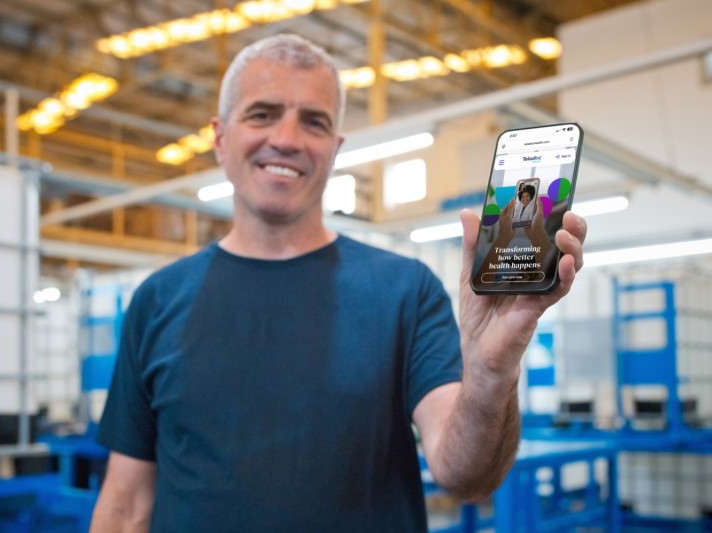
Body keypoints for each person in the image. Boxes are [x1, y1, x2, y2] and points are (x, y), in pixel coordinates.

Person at [89, 34, 586, 532]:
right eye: (261, 114)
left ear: (334, 148)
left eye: (314, 121)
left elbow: (467, 478)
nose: (286, 138)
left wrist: (491, 372)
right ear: (220, 138)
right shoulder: (157, 300)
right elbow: (125, 505)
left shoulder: (405, 292)